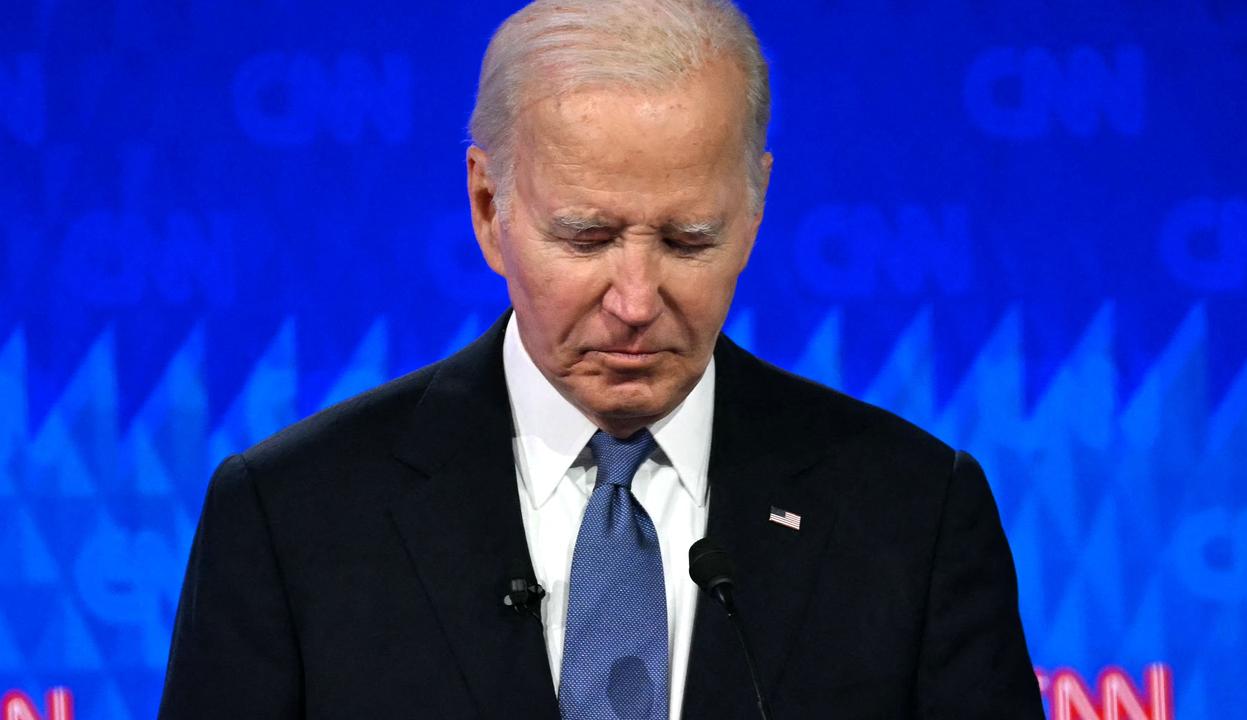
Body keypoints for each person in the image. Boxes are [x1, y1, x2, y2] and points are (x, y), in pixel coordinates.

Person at [159, 1, 1044, 718]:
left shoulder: (914, 515)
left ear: (757, 208)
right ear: (486, 207)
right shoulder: (292, 520)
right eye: (586, 237)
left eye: (688, 239)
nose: (634, 300)